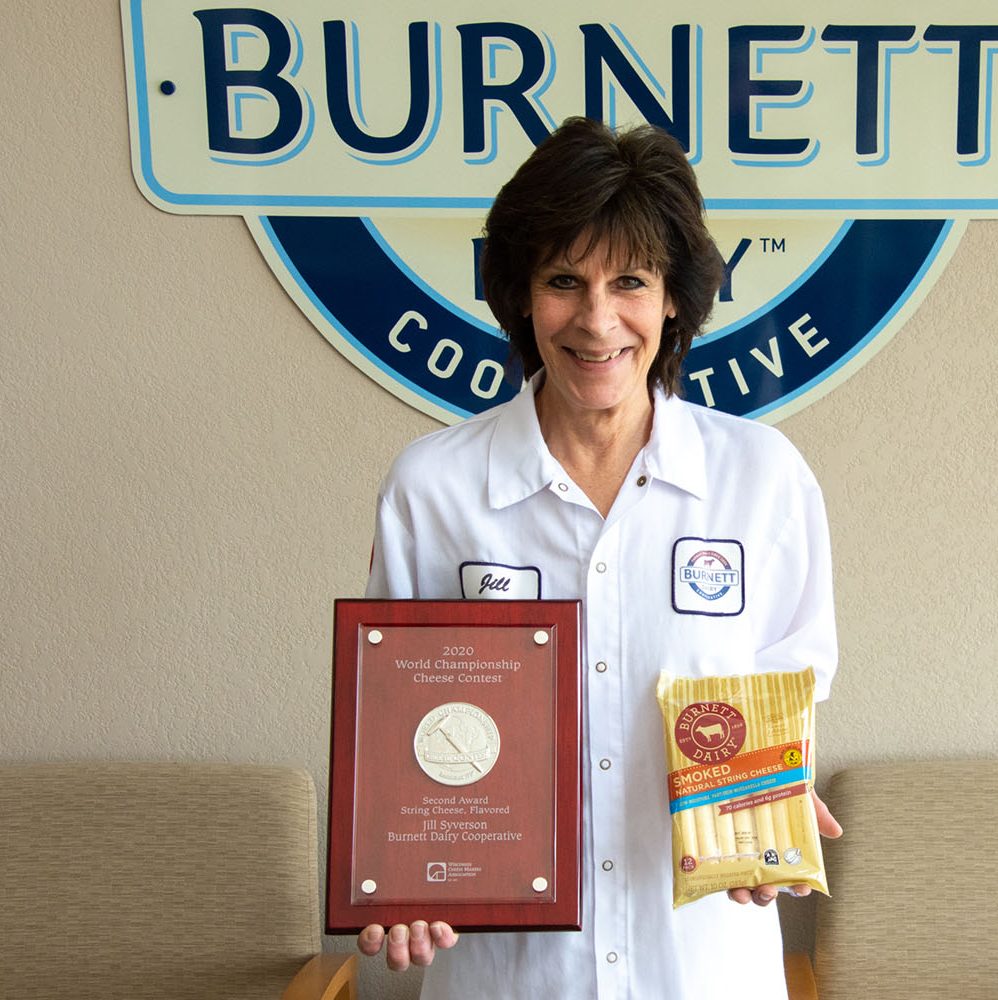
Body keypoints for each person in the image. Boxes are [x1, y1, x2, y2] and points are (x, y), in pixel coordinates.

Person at [357, 116, 841, 1000]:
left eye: (630, 281)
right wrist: (401, 867)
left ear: (671, 300)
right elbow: (399, 730)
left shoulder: (761, 477)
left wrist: (779, 796)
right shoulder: (435, 489)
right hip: (512, 979)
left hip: (702, 970)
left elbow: (791, 683)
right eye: (561, 281)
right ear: (519, 295)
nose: (596, 319)